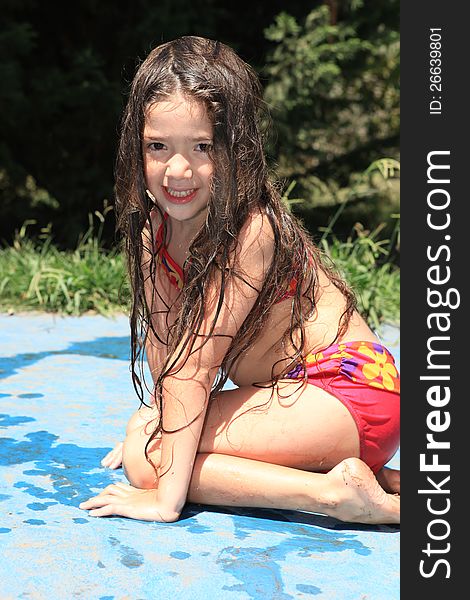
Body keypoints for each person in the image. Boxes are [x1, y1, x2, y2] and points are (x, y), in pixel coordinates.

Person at [79, 36, 400, 525]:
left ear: (237, 148)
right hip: (301, 403)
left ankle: (332, 495)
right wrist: (157, 422)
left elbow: (195, 370)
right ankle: (371, 481)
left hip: (348, 391)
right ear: (135, 146)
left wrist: (165, 497)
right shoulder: (155, 235)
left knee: (149, 460)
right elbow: (169, 361)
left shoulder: (252, 229)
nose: (178, 170)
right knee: (152, 437)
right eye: (158, 147)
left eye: (203, 146)